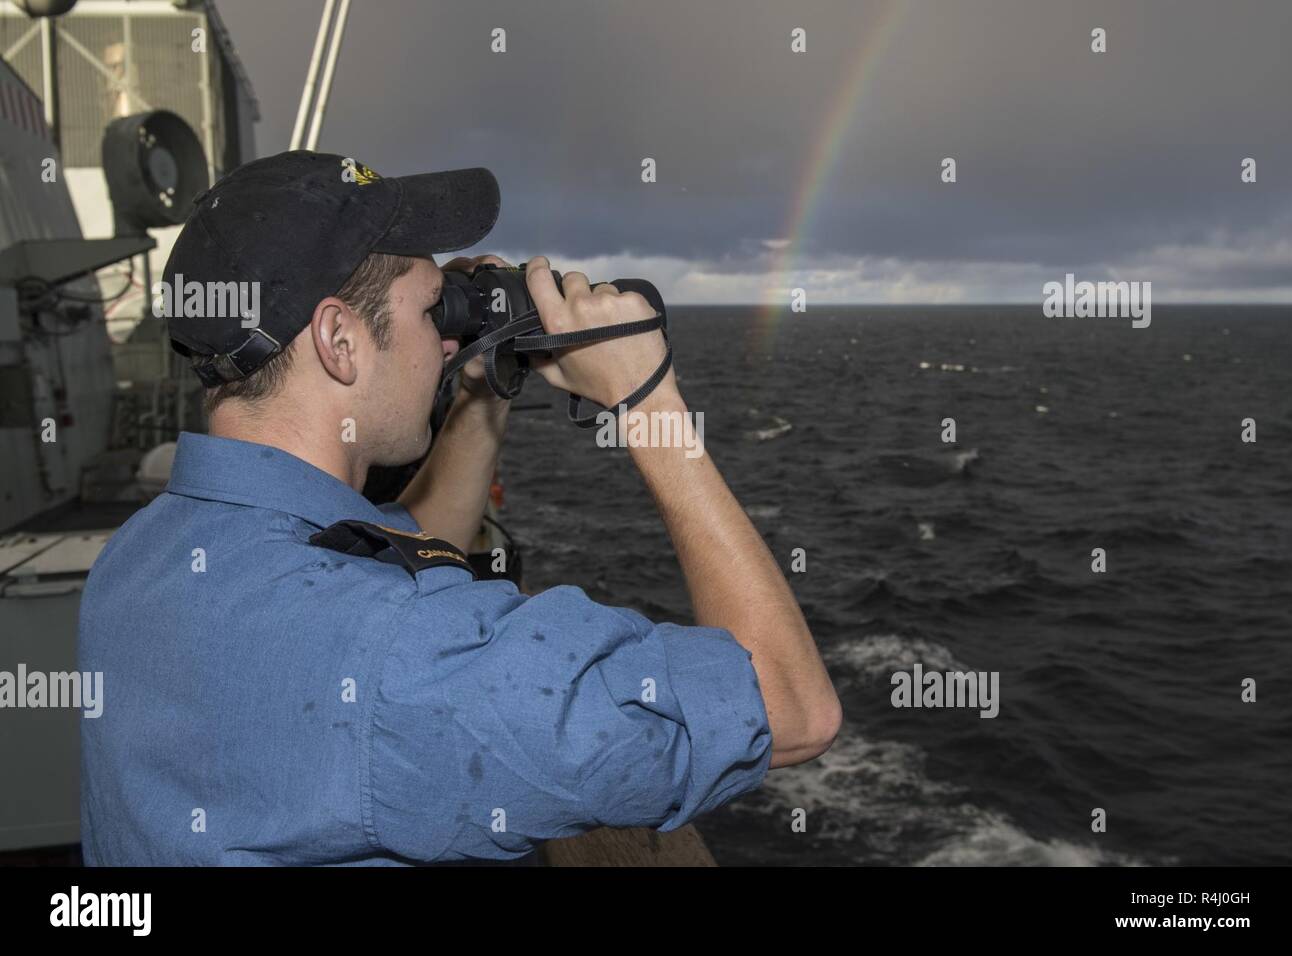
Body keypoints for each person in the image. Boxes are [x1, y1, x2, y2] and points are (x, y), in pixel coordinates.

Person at [78, 150, 841, 865]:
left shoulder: (140, 557)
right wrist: (648, 403)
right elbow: (792, 707)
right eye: (432, 312)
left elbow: (395, 565)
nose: (446, 340)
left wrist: (482, 382)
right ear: (340, 339)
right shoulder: (406, 663)